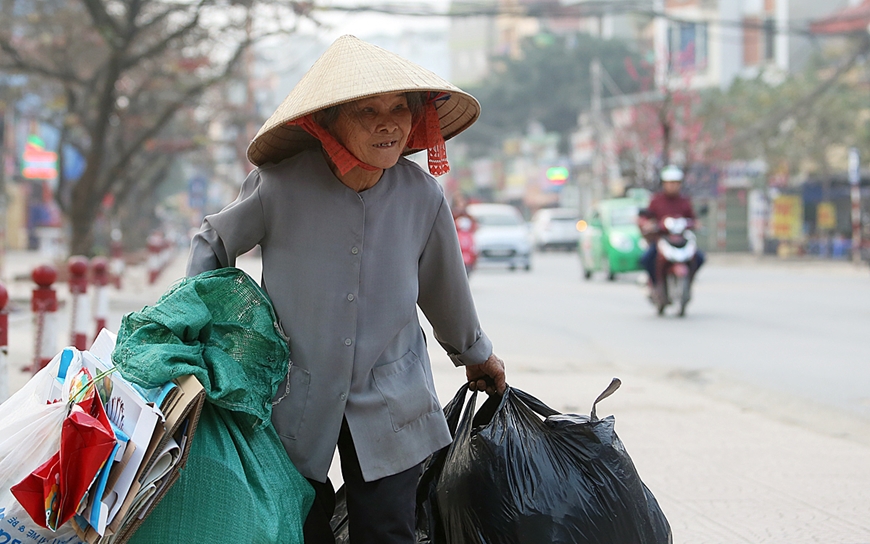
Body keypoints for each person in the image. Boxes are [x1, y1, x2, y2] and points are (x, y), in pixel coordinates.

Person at [185, 35, 507, 544]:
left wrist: (474, 354)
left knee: (388, 530)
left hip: (392, 393)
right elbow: (213, 244)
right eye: (367, 111)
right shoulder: (278, 186)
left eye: (400, 108)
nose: (388, 123)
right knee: (296, 525)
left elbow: (444, 286)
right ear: (328, 122)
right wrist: (198, 332)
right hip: (293, 393)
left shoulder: (421, 195)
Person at [638, 165, 705, 290]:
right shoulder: (656, 200)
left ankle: (689, 281)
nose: (672, 186)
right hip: (661, 239)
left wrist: (696, 223)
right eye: (669, 183)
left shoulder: (684, 201)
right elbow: (648, 216)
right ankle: (655, 285)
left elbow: (692, 218)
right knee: (647, 259)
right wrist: (649, 224)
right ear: (663, 184)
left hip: (681, 239)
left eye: (675, 183)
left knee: (700, 257)